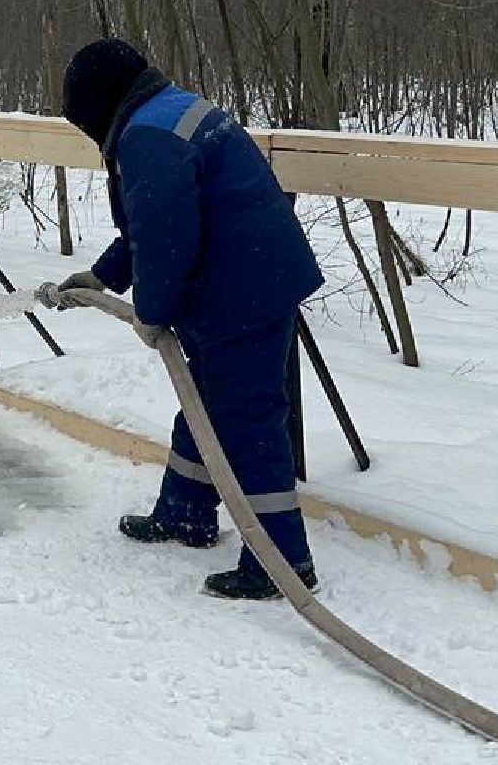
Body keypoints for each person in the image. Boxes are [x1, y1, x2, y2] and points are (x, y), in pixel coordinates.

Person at [51, 38, 323, 600]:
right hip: (254, 278)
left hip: (240, 293)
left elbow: (167, 240)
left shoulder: (147, 139)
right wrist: (102, 277)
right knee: (206, 402)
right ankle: (186, 513)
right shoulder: (167, 111)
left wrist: (152, 311)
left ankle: (282, 562)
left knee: (246, 422)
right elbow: (155, 223)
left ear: (100, 107)